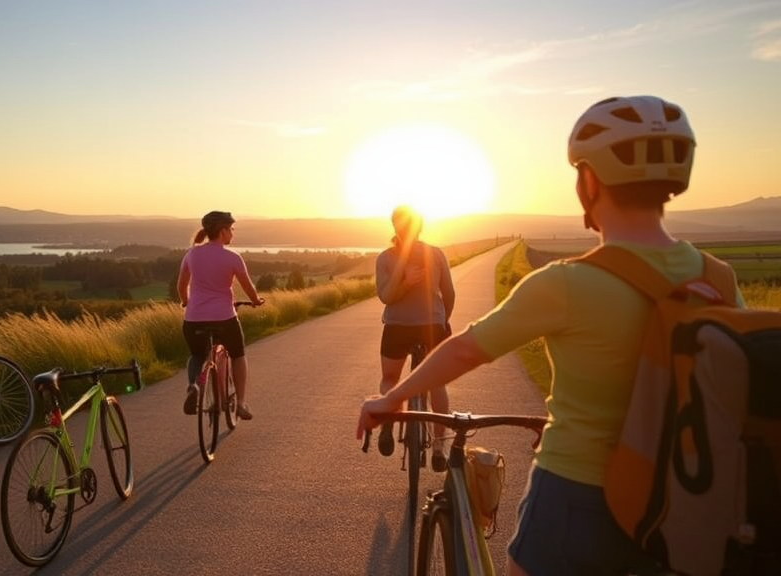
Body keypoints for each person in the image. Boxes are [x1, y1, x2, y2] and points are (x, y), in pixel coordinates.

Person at [357, 95, 745, 575]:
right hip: (690, 496)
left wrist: (389, 400)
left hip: (579, 495)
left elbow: (465, 349)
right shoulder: (719, 279)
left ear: (588, 181)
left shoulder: (565, 283)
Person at [374, 205, 455, 472]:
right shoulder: (436, 254)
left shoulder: (386, 258)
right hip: (432, 325)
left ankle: (387, 421)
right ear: (420, 227)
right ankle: (440, 447)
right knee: (437, 383)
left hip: (398, 326)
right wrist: (444, 319)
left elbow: (386, 296)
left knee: (390, 378)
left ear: (395, 227)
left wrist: (405, 281)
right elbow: (449, 293)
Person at [178, 210, 264, 420]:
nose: (232, 233)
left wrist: (186, 302)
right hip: (224, 318)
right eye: (231, 229)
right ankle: (241, 403)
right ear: (223, 231)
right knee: (238, 355)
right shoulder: (232, 257)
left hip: (194, 318)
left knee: (197, 355)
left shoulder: (192, 254)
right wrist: (256, 301)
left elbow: (182, 286)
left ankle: (193, 387)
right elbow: (248, 287)